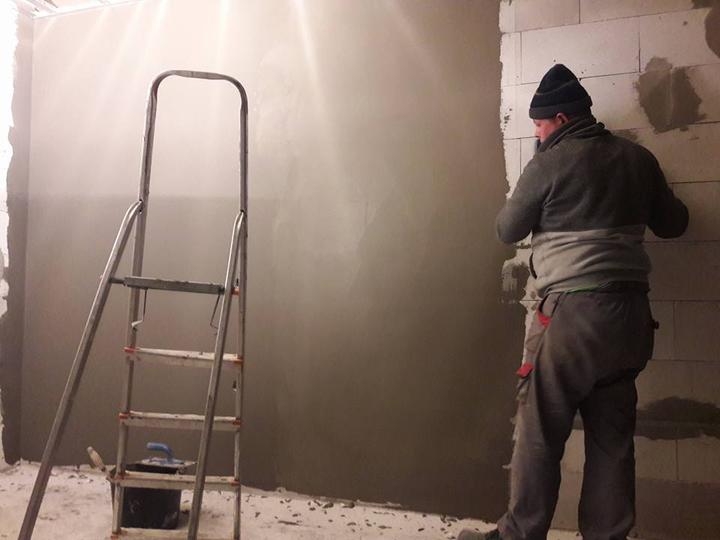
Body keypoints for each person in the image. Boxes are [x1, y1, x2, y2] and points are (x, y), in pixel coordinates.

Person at [458, 64, 689, 540]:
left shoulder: (549, 162)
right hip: (630, 319)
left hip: (572, 317)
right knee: (612, 441)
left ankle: (520, 535)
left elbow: (507, 229)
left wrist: (541, 169)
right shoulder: (638, 159)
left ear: (561, 119)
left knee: (540, 431)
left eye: (539, 125)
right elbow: (674, 224)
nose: (536, 133)